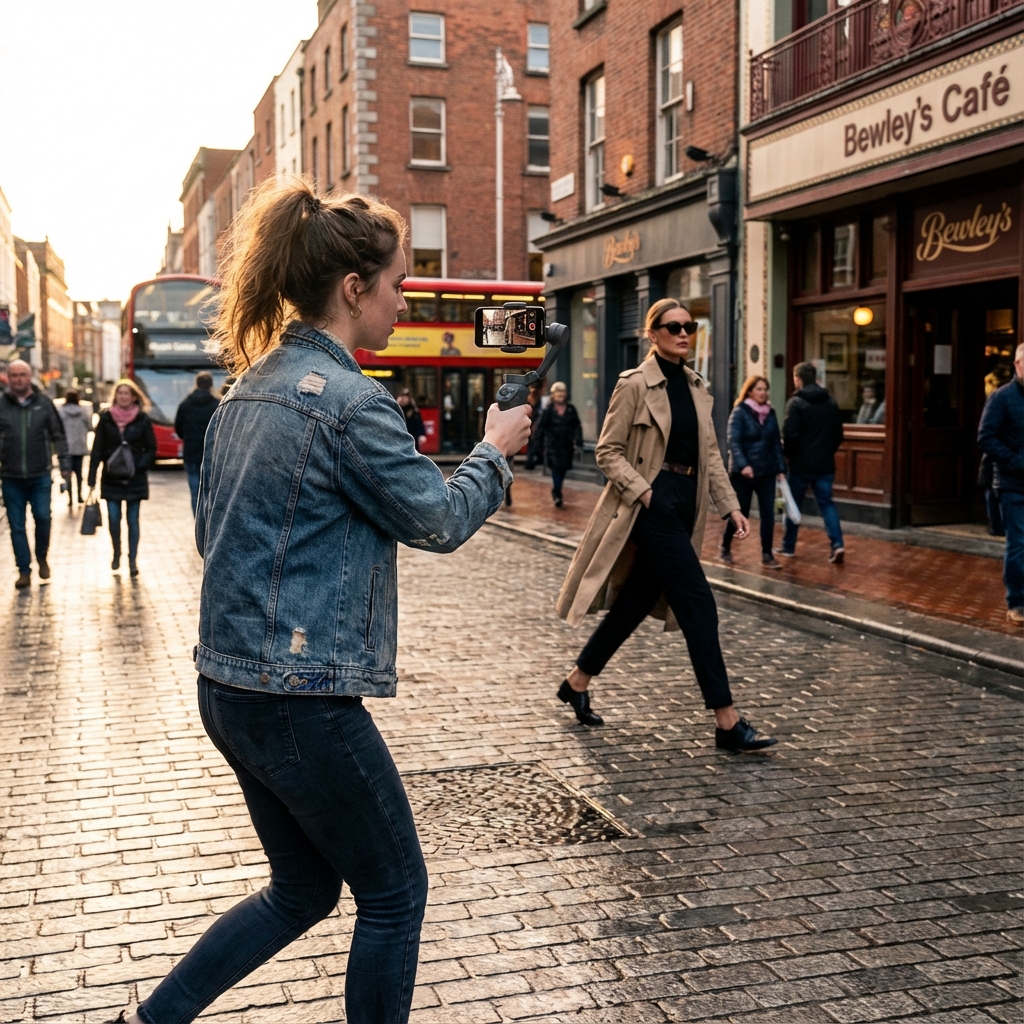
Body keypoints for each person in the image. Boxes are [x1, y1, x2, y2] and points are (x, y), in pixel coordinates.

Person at [115, 179, 530, 1024]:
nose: (403, 302)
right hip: (299, 698)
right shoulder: (349, 402)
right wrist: (491, 450)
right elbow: (440, 519)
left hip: (227, 687)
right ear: (354, 289)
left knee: (303, 887)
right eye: (398, 286)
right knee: (394, 892)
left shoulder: (244, 391)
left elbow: (213, 534)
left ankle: (151, 1021)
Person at [553, 298, 776, 753]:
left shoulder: (697, 386)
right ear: (651, 334)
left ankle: (576, 682)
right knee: (699, 604)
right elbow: (607, 452)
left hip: (686, 504)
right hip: (650, 507)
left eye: (689, 326)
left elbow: (711, 456)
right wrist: (647, 492)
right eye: (672, 327)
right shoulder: (634, 384)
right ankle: (726, 721)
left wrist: (730, 506)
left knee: (635, 602)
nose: (683, 334)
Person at [0, 359, 69, 588]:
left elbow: (57, 434)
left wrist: (65, 463)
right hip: (11, 476)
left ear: (29, 377)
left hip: (39, 474)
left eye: (22, 375)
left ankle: (42, 557)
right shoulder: (2, 404)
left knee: (42, 517)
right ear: (8, 378)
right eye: (14, 375)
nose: (19, 379)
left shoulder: (44, 403)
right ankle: (24, 570)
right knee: (17, 525)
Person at [87, 379, 157, 577]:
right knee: (114, 518)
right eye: (120, 393)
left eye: (127, 393)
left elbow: (151, 447)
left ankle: (132, 560)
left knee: (133, 520)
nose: (123, 397)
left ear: (134, 396)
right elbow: (97, 448)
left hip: (135, 479)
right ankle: (116, 552)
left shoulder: (142, 419)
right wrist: (91, 477)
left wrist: (140, 465)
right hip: (111, 478)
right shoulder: (106, 418)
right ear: (115, 396)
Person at [779, 361, 845, 564]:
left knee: (793, 505)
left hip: (800, 464)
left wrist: (789, 454)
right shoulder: (830, 402)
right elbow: (838, 435)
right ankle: (837, 544)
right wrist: (827, 451)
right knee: (827, 505)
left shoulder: (796, 403)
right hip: (825, 464)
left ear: (798, 378)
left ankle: (788, 546)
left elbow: (790, 434)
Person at [978, 341, 1024, 624]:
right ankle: (1018, 602)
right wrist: (1017, 462)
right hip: (1013, 484)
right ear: (1018, 364)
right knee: (1019, 543)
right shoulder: (1002, 397)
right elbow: (986, 438)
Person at [721, 374, 786, 569]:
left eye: (765, 389)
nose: (763, 393)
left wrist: (780, 469)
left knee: (768, 513)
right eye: (759, 389)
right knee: (741, 512)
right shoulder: (740, 412)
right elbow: (734, 441)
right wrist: (743, 465)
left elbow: (775, 442)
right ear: (749, 391)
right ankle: (725, 546)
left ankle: (767, 554)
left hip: (766, 471)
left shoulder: (771, 413)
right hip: (744, 474)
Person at [174, 371, 221, 514]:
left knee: (195, 492)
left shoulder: (185, 404)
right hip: (212, 454)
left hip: (191, 453)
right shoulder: (217, 404)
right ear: (211, 385)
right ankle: (209, 523)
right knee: (210, 492)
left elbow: (178, 428)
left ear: (197, 384)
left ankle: (198, 523)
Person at [531, 381, 582, 507]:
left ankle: (557, 489)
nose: (560, 397)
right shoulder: (548, 410)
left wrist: (578, 440)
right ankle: (557, 492)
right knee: (555, 469)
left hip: (566, 445)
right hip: (552, 445)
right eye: (558, 395)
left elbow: (577, 426)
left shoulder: (571, 409)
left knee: (562, 469)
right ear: (553, 396)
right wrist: (538, 445)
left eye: (562, 395)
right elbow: (541, 428)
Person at [57, 389, 91, 509]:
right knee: (79, 474)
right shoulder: (83, 412)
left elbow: (57, 429)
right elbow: (89, 426)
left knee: (67, 474)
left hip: (66, 448)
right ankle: (80, 495)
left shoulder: (61, 412)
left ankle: (70, 498)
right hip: (79, 447)